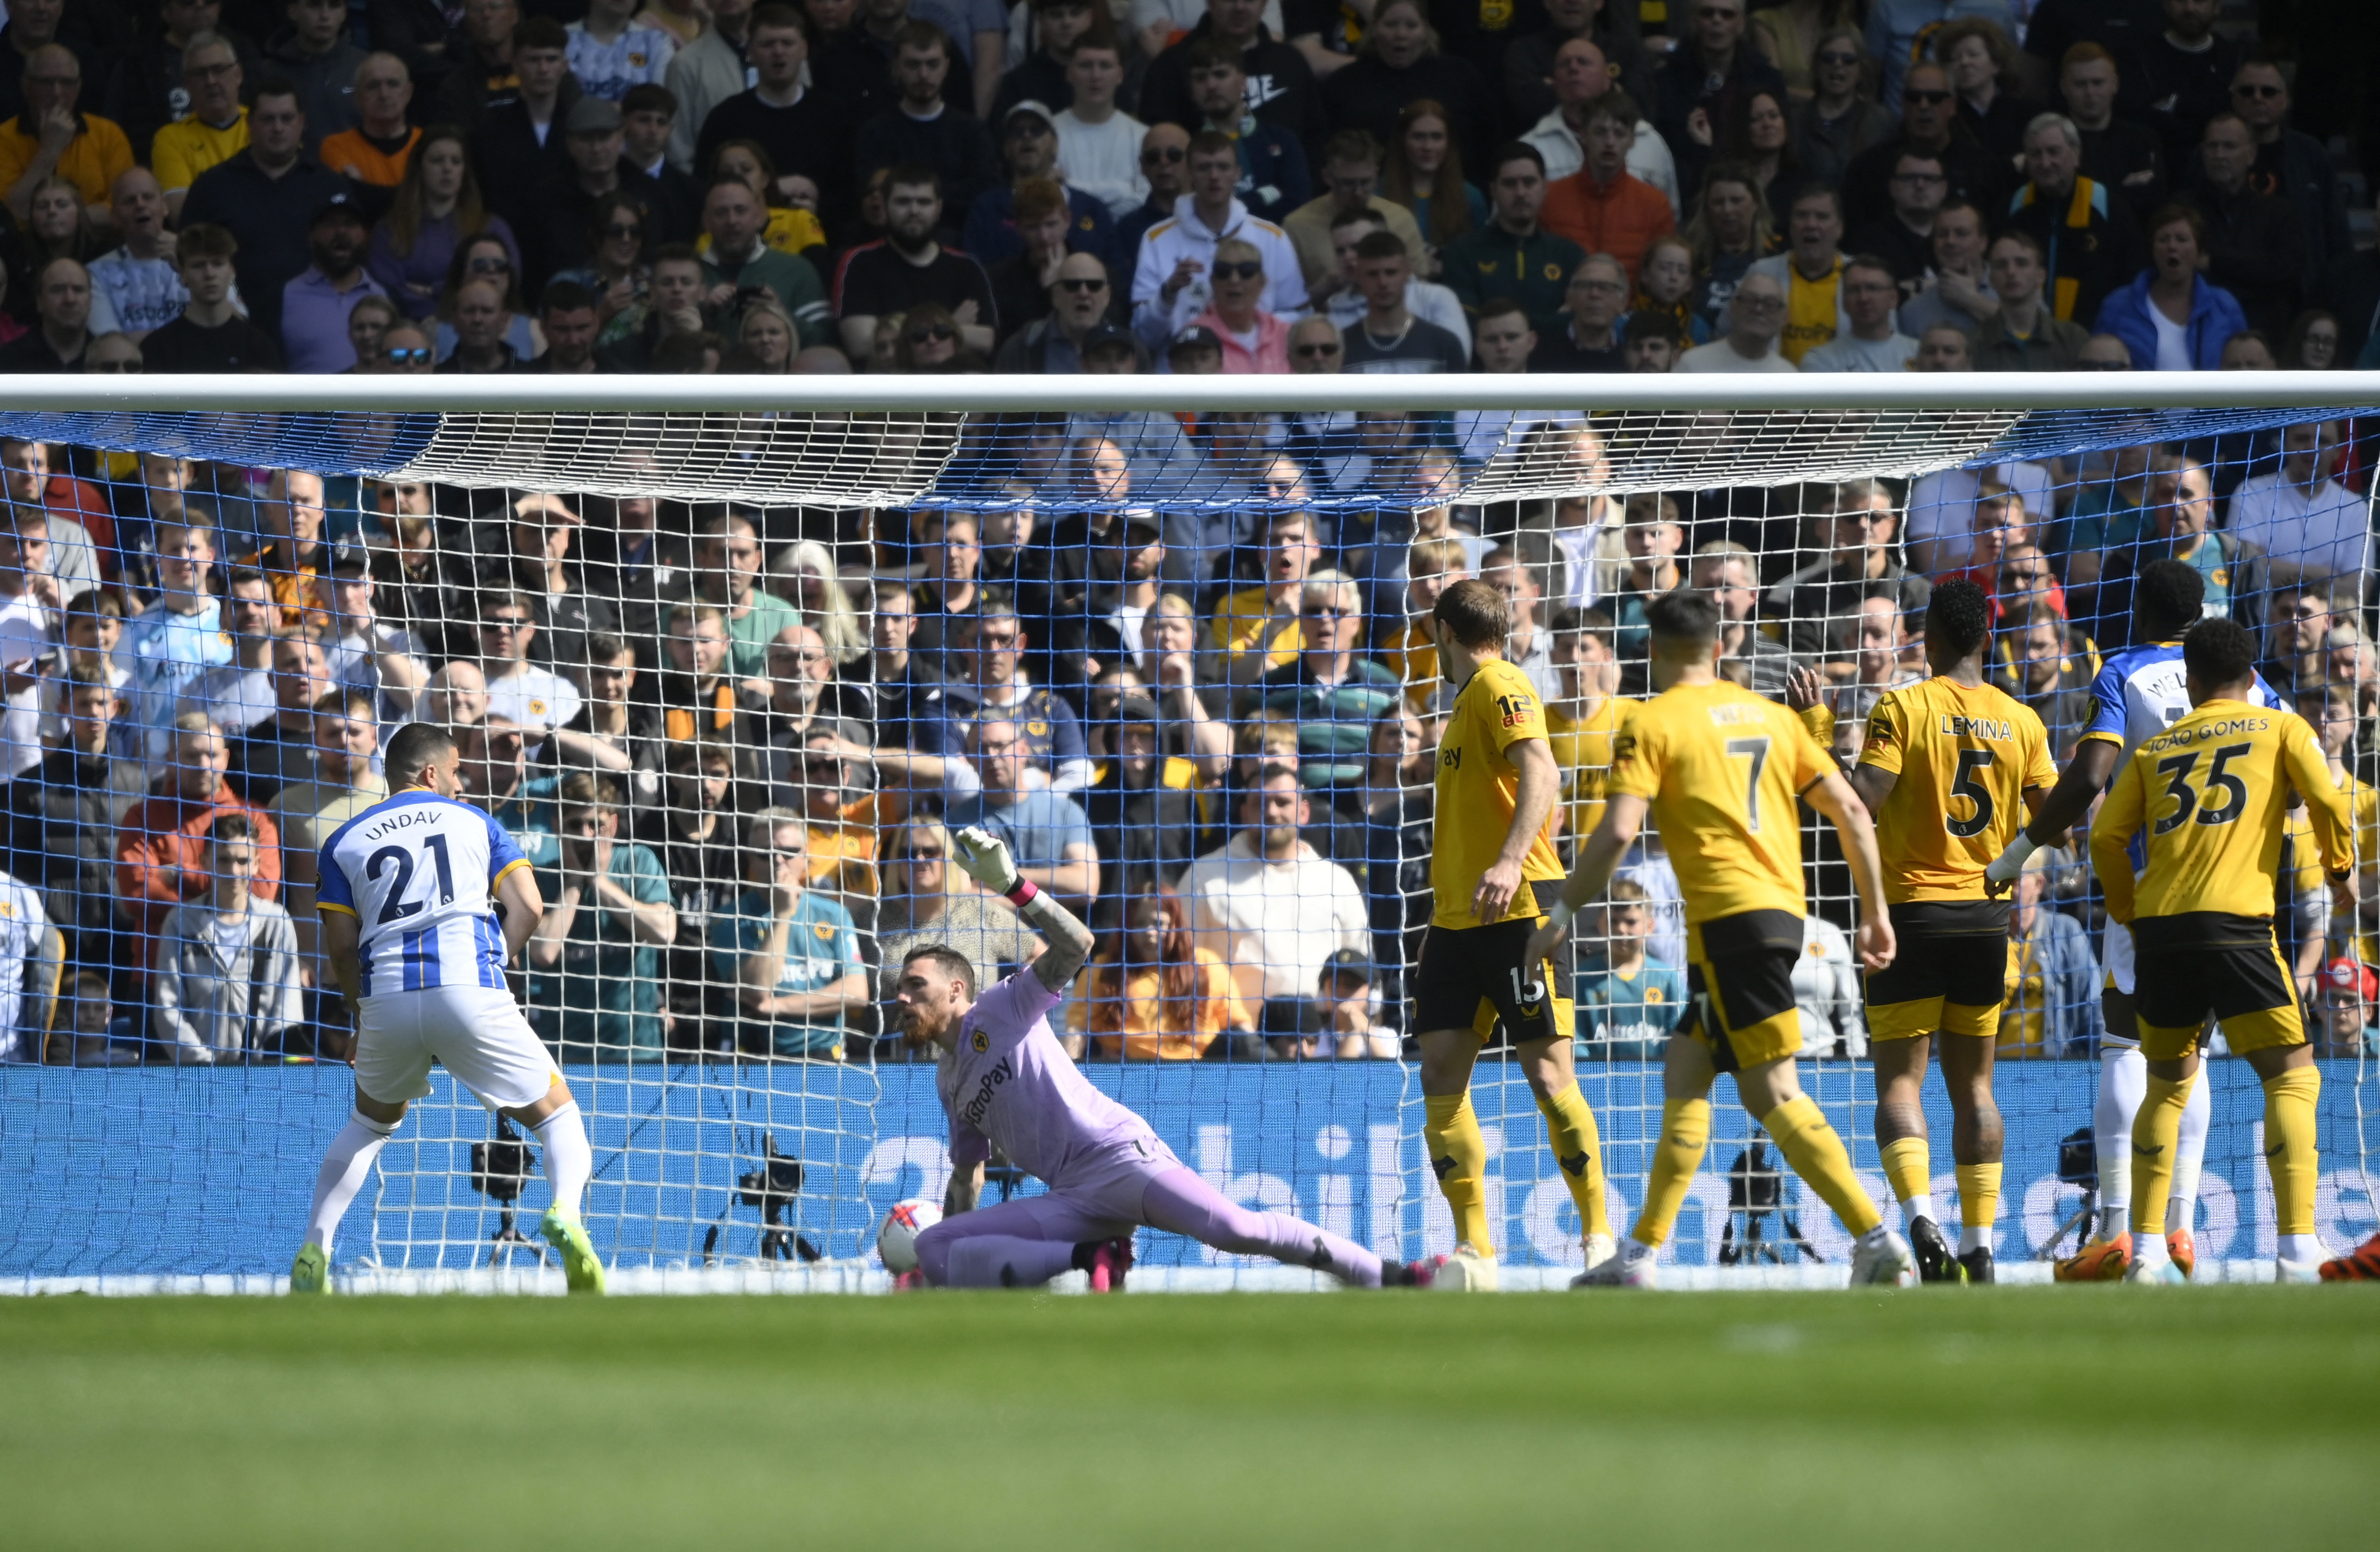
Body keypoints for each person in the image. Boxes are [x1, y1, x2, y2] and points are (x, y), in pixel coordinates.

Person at [1529, 590, 1914, 1289]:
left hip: (1732, 920)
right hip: (1767, 921)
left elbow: (1617, 831)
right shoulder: (1773, 717)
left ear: (1650, 651)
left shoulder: (1650, 721)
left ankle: (1875, 1236)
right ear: (1717, 646)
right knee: (1687, 1072)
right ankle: (1639, 1257)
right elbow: (1853, 810)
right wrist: (1874, 910)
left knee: (1772, 1092)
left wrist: (1556, 917)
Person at [898, 824, 1425, 1290]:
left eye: (915, 985)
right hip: (1071, 1200)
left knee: (1235, 1230)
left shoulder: (1004, 1005)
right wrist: (947, 1256)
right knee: (934, 1248)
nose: (901, 997)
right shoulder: (949, 1080)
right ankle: (1090, 1256)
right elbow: (968, 1176)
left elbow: (1078, 944)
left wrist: (1015, 885)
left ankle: (1387, 1275)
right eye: (900, 986)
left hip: (1119, 1158)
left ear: (956, 989)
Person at [1984, 559, 2284, 1281]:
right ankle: (2179, 1227)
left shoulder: (2122, 671)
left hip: (2150, 890)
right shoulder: (2245, 681)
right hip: (2235, 888)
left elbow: (2088, 778)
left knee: (2125, 1045)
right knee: (2196, 1054)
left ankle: (2117, 1229)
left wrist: (2020, 850)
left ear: (2140, 613)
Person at [1791, 579, 2055, 1284]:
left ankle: (1917, 1219)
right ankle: (1978, 1245)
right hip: (1983, 919)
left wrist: (1814, 730)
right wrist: (2008, 862)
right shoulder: (2021, 719)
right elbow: (2057, 815)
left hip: (1906, 916)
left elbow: (1859, 803)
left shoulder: (1902, 707)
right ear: (1987, 640)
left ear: (1926, 638)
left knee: (1899, 1086)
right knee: (1975, 1089)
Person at [2086, 616, 2353, 1284]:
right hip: (2237, 927)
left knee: (2164, 1086)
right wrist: (2341, 870)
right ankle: (2295, 1250)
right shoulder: (2281, 726)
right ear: (2252, 672)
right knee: (2291, 1076)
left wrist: (2126, 908)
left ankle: (2143, 1250)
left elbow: (2102, 839)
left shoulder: (2155, 748)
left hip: (2161, 933)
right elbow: (2325, 796)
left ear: (2191, 679)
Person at [293, 722, 604, 1295]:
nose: (463, 784)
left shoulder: (342, 841)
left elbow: (339, 945)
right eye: (458, 772)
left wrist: (361, 1017)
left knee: (369, 1124)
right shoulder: (476, 822)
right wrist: (497, 960)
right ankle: (566, 1213)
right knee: (559, 1117)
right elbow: (530, 907)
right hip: (469, 988)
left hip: (385, 996)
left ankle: (316, 1247)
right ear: (431, 773)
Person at [1397, 575, 1612, 1284]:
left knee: (1548, 1075)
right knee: (1439, 1075)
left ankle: (1597, 1238)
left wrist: (1510, 859)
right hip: (1457, 919)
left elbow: (1541, 773)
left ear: (1441, 630)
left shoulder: (1498, 685)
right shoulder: (1459, 704)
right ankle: (1474, 1251)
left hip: (1518, 909)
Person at [524, 770, 676, 1061]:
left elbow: (665, 933)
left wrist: (601, 882)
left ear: (614, 824)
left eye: (596, 825)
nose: (585, 835)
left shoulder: (636, 861)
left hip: (637, 1052)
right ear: (557, 826)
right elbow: (544, 952)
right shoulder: (541, 877)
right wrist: (574, 883)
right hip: (566, 1053)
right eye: (575, 825)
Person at [179, 81, 347, 343]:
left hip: (318, 328)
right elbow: (187, 259)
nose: (278, 128)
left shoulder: (330, 187)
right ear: (250, 123)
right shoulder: (212, 187)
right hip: (232, 329)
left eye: (287, 118)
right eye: (268, 119)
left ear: (302, 122)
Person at [708, 808, 869, 1059]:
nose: (778, 861)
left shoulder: (833, 915)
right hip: (751, 1056)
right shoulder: (728, 919)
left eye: (789, 852)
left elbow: (858, 992)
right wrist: (783, 914)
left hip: (822, 1054)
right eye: (765, 854)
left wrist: (779, 1006)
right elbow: (756, 989)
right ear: (750, 860)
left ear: (805, 857)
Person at [151, 814, 304, 1064]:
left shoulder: (276, 922)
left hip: (261, 1074)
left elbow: (288, 1005)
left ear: (256, 864)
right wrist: (202, 1063)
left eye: (243, 861)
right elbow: (168, 1005)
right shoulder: (180, 922)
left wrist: (270, 1061)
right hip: (197, 1075)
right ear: (204, 862)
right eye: (223, 860)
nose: (233, 871)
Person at [1131, 130, 1307, 346]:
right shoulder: (1156, 239)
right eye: (1204, 168)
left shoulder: (1272, 237)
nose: (1214, 176)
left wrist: (1248, 329)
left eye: (1223, 167)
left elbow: (1300, 316)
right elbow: (1143, 334)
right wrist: (1168, 294)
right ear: (1189, 174)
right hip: (1183, 368)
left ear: (1238, 173)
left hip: (1255, 368)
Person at [1067, 890, 1253, 1061]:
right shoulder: (1104, 970)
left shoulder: (1206, 964)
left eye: (1158, 924)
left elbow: (1240, 1026)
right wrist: (1066, 1075)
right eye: (1139, 924)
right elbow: (1078, 1028)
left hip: (1199, 1073)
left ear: (1176, 924)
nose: (1149, 933)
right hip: (1129, 1071)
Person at [834, 164, 996, 360]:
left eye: (924, 202)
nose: (914, 211)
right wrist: (949, 326)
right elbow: (860, 344)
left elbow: (985, 342)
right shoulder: (861, 263)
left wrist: (895, 336)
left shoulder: (966, 268)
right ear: (885, 206)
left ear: (939, 208)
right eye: (903, 202)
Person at [2091, 204, 2245, 372]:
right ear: (2152, 249)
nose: (2172, 247)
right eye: (2164, 240)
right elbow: (2096, 364)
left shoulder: (2224, 306)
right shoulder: (2118, 305)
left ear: (2199, 251)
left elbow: (2245, 364)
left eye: (2182, 239)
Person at [1538, 92, 1672, 283]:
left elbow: (1661, 277)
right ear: (1583, 135)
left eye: (1619, 133)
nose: (1610, 142)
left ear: (1632, 140)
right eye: (1600, 132)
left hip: (1630, 310)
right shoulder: (1551, 198)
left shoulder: (1655, 204)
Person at [2225, 419, 2365, 592]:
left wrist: (2270, 567)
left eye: (2323, 441)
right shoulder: (2251, 493)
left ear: (2338, 450)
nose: (2312, 448)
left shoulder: (2355, 508)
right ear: (2285, 443)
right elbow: (2244, 568)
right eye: (2302, 438)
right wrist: (2323, 575)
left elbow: (2357, 592)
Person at [1574, 877, 1686, 1060]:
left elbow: (1680, 1035)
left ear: (1650, 926)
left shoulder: (1666, 978)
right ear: (1601, 924)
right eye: (1613, 921)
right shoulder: (1585, 977)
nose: (1621, 929)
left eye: (1631, 922)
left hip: (1655, 1080)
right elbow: (1577, 1038)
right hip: (1601, 1082)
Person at [1970, 229, 2090, 372]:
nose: (2011, 272)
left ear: (2041, 276)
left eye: (2022, 263)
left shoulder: (2073, 339)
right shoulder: (1973, 343)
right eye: (2001, 265)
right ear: (1991, 279)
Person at [1796, 254, 1914, 371]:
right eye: (1854, 290)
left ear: (1894, 298)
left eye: (1873, 288)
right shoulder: (1821, 359)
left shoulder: (1918, 352)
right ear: (1843, 300)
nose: (1863, 298)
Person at [1674, 267, 1794, 372]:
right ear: (1732, 308)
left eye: (1770, 304)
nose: (1759, 309)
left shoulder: (1789, 377)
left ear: (1785, 318)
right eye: (1750, 300)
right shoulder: (1693, 365)